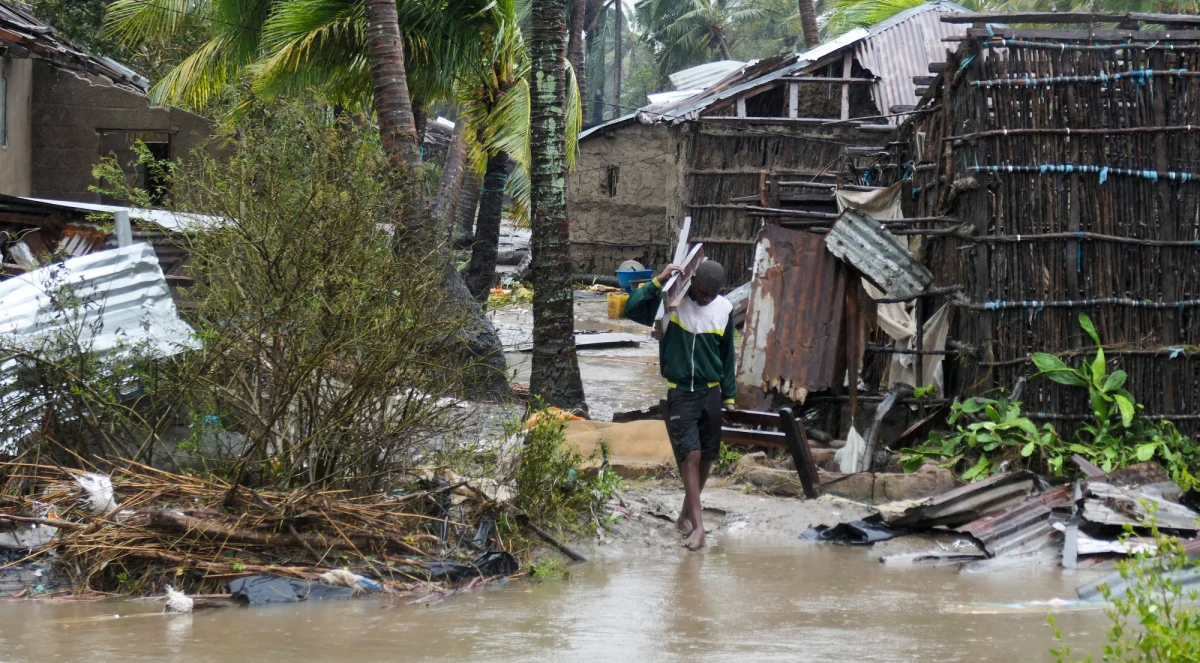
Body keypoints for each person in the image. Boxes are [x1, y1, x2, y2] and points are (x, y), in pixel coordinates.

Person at [624, 260, 736, 550]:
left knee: (708, 457)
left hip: (711, 392)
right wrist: (659, 281)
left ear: (720, 291)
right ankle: (698, 528)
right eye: (700, 290)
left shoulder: (724, 309)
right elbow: (631, 308)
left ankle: (685, 517)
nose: (704, 297)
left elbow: (727, 355)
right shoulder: (671, 304)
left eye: (711, 294)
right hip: (681, 393)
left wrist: (729, 396)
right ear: (692, 281)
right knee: (691, 456)